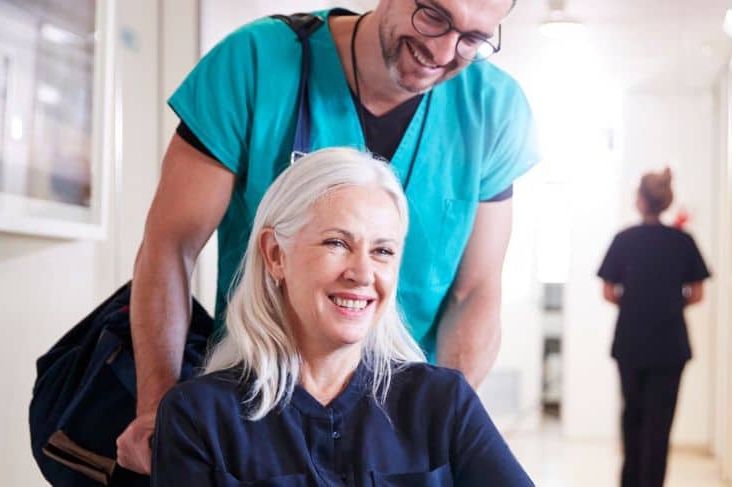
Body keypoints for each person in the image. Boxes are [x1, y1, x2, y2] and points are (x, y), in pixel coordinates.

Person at [119, 0, 538, 474]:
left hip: (396, 413)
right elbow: (170, 248)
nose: (443, 50)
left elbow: (476, 289)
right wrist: (160, 411)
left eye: (473, 38)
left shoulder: (492, 109)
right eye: (434, 16)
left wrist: (438, 430)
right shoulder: (256, 64)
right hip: (256, 406)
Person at [150, 148, 533, 486]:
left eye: (383, 251)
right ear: (275, 254)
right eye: (337, 243)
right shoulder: (199, 418)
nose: (363, 273)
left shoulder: (442, 403)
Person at [596, 168, 711, 487]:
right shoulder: (683, 241)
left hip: (631, 341)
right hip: (670, 345)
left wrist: (635, 303)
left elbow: (608, 291)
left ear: (640, 201)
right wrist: (669, 304)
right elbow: (697, 294)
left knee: (631, 417)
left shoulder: (624, 240)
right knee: (660, 425)